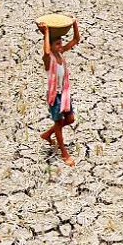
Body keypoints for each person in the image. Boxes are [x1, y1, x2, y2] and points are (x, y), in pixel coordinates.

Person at [37, 17, 80, 166]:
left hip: (64, 94)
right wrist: (46, 32)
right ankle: (63, 153)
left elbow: (76, 40)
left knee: (70, 119)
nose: (61, 46)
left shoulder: (60, 54)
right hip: (55, 96)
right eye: (57, 44)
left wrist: (74, 24)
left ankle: (47, 134)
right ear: (52, 46)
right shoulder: (49, 60)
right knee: (59, 123)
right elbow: (46, 51)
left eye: (61, 43)